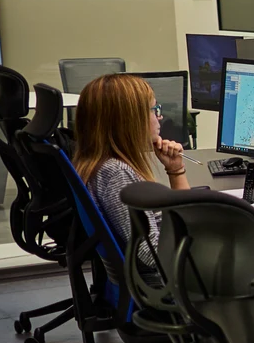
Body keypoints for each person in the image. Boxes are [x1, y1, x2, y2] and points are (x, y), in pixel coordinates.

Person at [73, 73, 190, 267]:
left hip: (178, 261)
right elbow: (153, 255)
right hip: (177, 277)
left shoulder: (98, 164)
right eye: (154, 109)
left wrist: (175, 170)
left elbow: (185, 221)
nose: (160, 116)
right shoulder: (115, 173)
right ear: (130, 119)